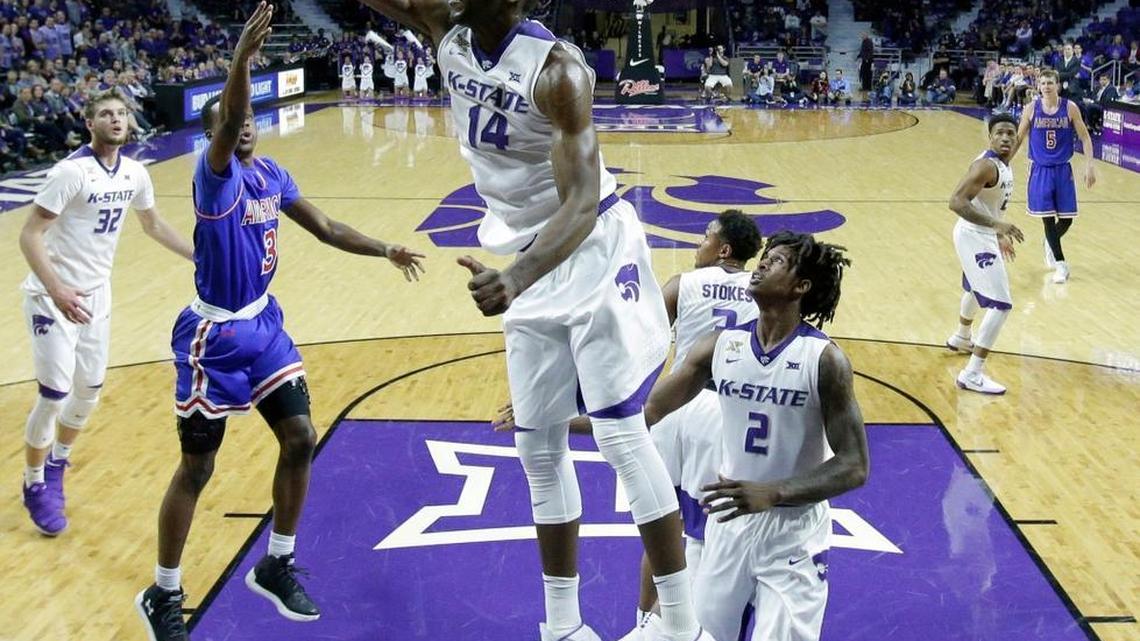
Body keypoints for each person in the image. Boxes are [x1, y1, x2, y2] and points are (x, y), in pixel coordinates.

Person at [357, 1, 713, 640]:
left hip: (590, 246)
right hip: (527, 251)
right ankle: (563, 627)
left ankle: (681, 627)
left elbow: (579, 202)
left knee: (621, 435)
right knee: (536, 445)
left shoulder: (558, 72)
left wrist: (516, 281)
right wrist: (519, 274)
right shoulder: (447, 28)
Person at [135, 6, 426, 640]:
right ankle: (163, 592)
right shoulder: (214, 180)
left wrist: (384, 249)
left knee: (300, 437)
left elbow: (324, 228)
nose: (240, 132)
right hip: (212, 339)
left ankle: (277, 563)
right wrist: (239, 61)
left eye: (242, 126)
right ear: (216, 134)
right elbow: (231, 114)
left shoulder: (271, 173)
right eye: (226, 126)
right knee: (198, 468)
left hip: (264, 328)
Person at [499, 211, 764, 640]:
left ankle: (648, 622)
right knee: (714, 538)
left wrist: (575, 399)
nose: (699, 244)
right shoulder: (764, 292)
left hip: (675, 409)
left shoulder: (684, 284)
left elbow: (638, 340)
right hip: (730, 416)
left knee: (662, 525)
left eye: (705, 237)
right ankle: (688, 625)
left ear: (723, 249)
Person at [644, 231, 869, 641]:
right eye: (765, 257)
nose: (763, 264)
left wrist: (775, 492)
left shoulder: (825, 360)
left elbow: (855, 465)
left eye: (778, 261)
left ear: (801, 287)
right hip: (729, 523)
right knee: (700, 636)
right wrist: (560, 420)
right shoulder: (721, 346)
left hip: (793, 531)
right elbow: (649, 411)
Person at [18, 88, 193, 537]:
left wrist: (198, 256)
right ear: (89, 123)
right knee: (54, 392)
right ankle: (35, 483)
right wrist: (56, 290)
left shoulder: (135, 173)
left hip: (97, 296)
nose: (116, 120)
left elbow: (152, 224)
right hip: (51, 296)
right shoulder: (70, 172)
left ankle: (57, 462)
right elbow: (30, 235)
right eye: (105, 114)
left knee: (89, 391)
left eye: (121, 113)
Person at [945, 114, 1025, 395]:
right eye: (1000, 133)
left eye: (1010, 134)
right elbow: (956, 201)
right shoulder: (986, 166)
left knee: (974, 287)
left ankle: (962, 336)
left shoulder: (1003, 161)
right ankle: (973, 373)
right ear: (990, 137)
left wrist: (999, 232)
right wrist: (997, 226)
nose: (1006, 138)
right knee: (1001, 305)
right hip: (974, 235)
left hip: (982, 234)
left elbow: (992, 205)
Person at [1013, 69, 1096, 283]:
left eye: (1050, 82)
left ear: (1057, 85)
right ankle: (1061, 264)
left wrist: (1089, 166)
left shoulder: (1070, 108)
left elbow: (1086, 139)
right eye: (1043, 83)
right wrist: (1002, 162)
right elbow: (1019, 138)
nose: (1046, 86)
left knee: (1067, 220)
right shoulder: (1031, 109)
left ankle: (1050, 241)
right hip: (1040, 169)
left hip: (1063, 170)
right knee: (1048, 219)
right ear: (1038, 86)